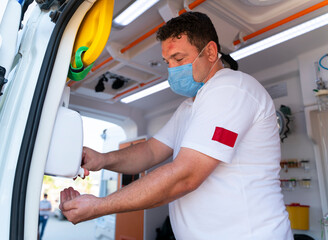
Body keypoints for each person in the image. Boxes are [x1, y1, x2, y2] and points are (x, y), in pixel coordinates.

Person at [60, 12, 293, 240]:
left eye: (179, 59)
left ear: (211, 52)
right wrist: (103, 159)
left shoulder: (232, 88)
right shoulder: (189, 107)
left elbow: (186, 176)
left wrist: (99, 206)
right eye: (167, 62)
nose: (172, 69)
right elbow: (150, 151)